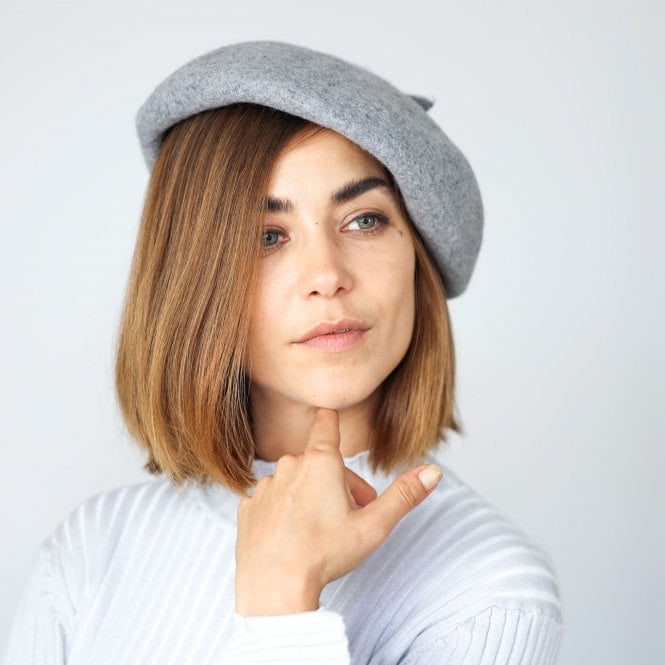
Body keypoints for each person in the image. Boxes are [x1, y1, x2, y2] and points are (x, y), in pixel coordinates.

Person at [2, 41, 563, 664]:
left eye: (364, 221)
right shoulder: (94, 546)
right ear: (193, 283)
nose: (326, 274)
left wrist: (280, 603)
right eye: (267, 236)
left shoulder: (489, 590)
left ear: (418, 261)